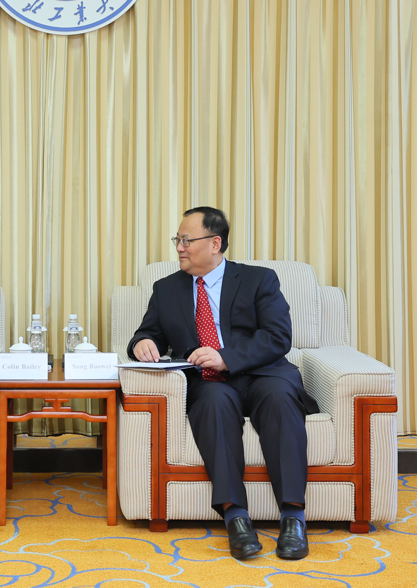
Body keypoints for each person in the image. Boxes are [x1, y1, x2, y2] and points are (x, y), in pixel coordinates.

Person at [127, 206, 319, 560]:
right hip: (209, 383)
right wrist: (142, 343)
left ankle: (293, 517)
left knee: (279, 397)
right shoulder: (166, 289)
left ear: (215, 243)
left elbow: (278, 337)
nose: (179, 247)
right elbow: (148, 332)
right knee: (213, 403)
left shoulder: (259, 279)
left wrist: (226, 356)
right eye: (177, 240)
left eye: (187, 240)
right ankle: (236, 518)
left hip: (262, 374)